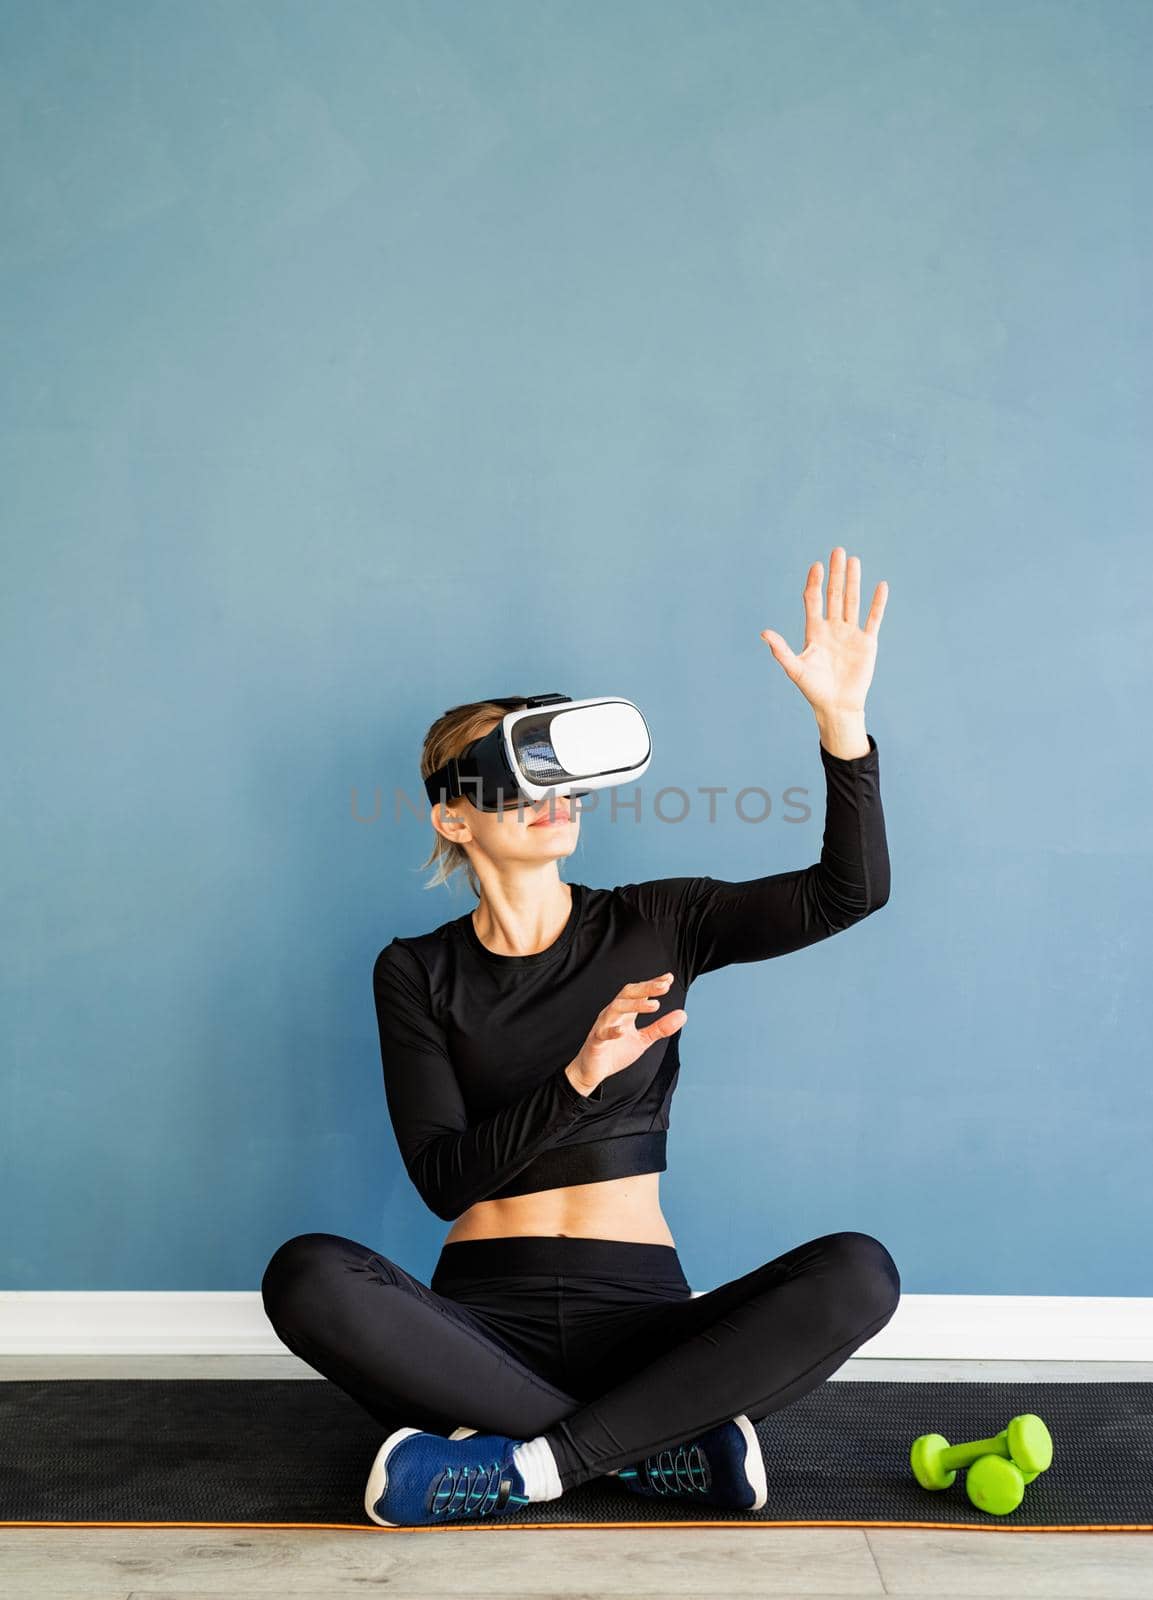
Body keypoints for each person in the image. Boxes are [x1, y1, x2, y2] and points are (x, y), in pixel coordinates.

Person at [261, 547, 900, 1526]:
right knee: (304, 1271)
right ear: (454, 815)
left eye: (557, 766)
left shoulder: (660, 919)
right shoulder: (415, 969)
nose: (549, 789)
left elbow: (847, 893)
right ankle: (649, 1453)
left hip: (643, 1321)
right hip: (473, 1331)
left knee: (858, 1269)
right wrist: (577, 1078)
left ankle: (526, 1470)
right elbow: (441, 1180)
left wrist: (841, 725)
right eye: (514, 771)